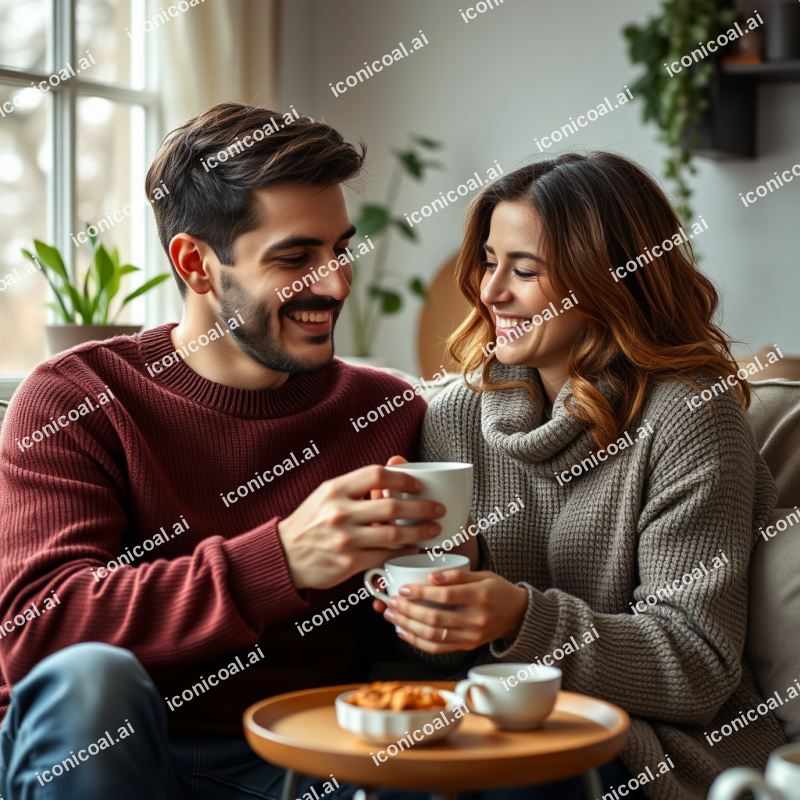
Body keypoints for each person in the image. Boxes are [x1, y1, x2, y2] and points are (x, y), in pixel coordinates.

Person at [0, 103, 449, 800]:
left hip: (304, 760)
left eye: (340, 250)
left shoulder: (388, 410)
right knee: (93, 679)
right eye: (296, 258)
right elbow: (40, 630)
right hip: (114, 756)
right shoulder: (77, 398)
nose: (335, 283)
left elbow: (413, 651)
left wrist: (444, 588)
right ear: (197, 265)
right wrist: (281, 561)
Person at [373, 152, 786, 799]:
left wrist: (520, 618)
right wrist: (440, 594)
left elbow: (697, 665)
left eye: (524, 270)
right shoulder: (453, 416)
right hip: (485, 720)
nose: (491, 292)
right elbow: (438, 659)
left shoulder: (689, 419)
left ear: (605, 281)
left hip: (648, 744)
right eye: (488, 261)